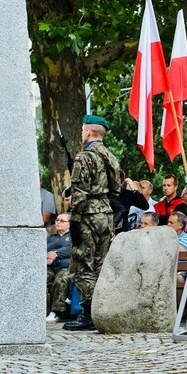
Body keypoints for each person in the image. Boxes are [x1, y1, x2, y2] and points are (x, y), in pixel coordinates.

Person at [62, 115, 122, 331]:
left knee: (80, 266)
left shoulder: (84, 157)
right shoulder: (110, 156)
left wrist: (75, 220)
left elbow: (79, 193)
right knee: (99, 265)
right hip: (105, 215)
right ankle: (101, 310)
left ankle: (88, 314)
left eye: (82, 131)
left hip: (87, 215)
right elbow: (116, 190)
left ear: (88, 132)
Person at [46, 213, 73, 322]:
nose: (58, 222)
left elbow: (71, 248)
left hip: (66, 267)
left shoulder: (74, 236)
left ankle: (56, 311)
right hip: (50, 267)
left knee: (61, 279)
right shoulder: (50, 236)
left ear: (69, 224)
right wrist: (47, 256)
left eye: (62, 221)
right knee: (39, 277)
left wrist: (56, 254)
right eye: (57, 220)